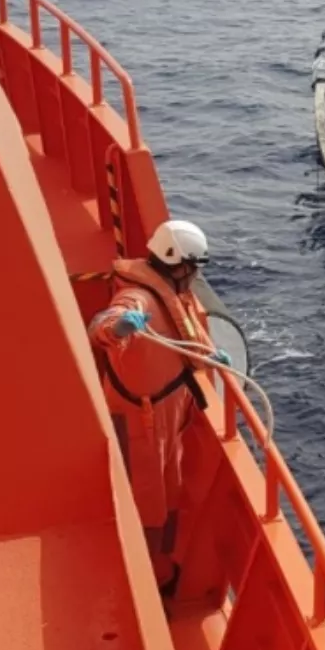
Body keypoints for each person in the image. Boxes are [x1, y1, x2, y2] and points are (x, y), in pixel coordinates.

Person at [88, 219, 227, 597]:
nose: (196, 275)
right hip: (140, 426)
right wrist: (120, 328)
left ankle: (161, 567)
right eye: (193, 267)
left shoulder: (175, 294)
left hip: (166, 422)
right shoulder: (141, 300)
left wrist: (211, 356)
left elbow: (184, 338)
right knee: (145, 504)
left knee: (168, 496)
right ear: (176, 263)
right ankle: (144, 581)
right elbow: (103, 325)